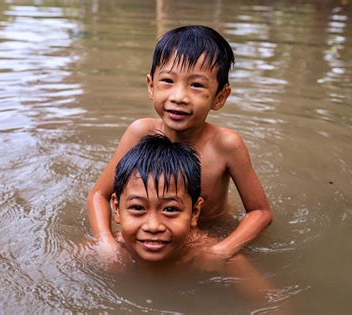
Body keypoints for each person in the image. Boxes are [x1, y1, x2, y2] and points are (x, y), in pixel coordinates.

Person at [88, 25, 272, 260]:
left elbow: (260, 212)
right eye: (167, 81)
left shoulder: (226, 145)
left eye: (196, 85)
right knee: (85, 253)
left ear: (220, 97)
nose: (178, 97)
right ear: (150, 86)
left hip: (206, 234)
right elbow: (99, 195)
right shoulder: (139, 133)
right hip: (151, 229)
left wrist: (221, 250)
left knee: (238, 266)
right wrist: (105, 241)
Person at [109, 134, 272, 302]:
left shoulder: (214, 257)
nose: (153, 226)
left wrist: (220, 254)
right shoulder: (106, 252)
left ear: (195, 212)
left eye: (170, 209)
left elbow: (273, 306)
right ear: (117, 208)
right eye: (137, 208)